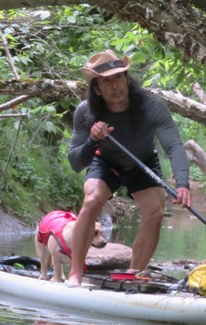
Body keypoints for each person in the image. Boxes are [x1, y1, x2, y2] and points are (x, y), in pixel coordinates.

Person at [66, 50, 191, 286]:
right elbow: (75, 162)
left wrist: (182, 184)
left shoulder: (151, 105)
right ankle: (75, 274)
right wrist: (92, 140)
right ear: (97, 88)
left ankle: (133, 276)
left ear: (127, 78)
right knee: (92, 199)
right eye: (107, 81)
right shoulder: (86, 111)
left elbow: (174, 145)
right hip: (105, 161)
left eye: (119, 77)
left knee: (155, 210)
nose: (115, 86)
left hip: (141, 162)